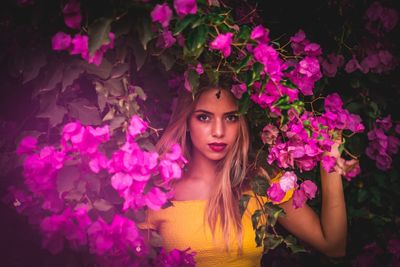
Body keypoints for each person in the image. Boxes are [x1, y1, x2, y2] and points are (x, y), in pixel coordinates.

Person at [139, 86, 347, 267]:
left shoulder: (261, 182)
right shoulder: (157, 193)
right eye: (204, 117)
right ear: (186, 121)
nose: (218, 131)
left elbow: (333, 245)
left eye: (231, 117)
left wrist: (330, 161)